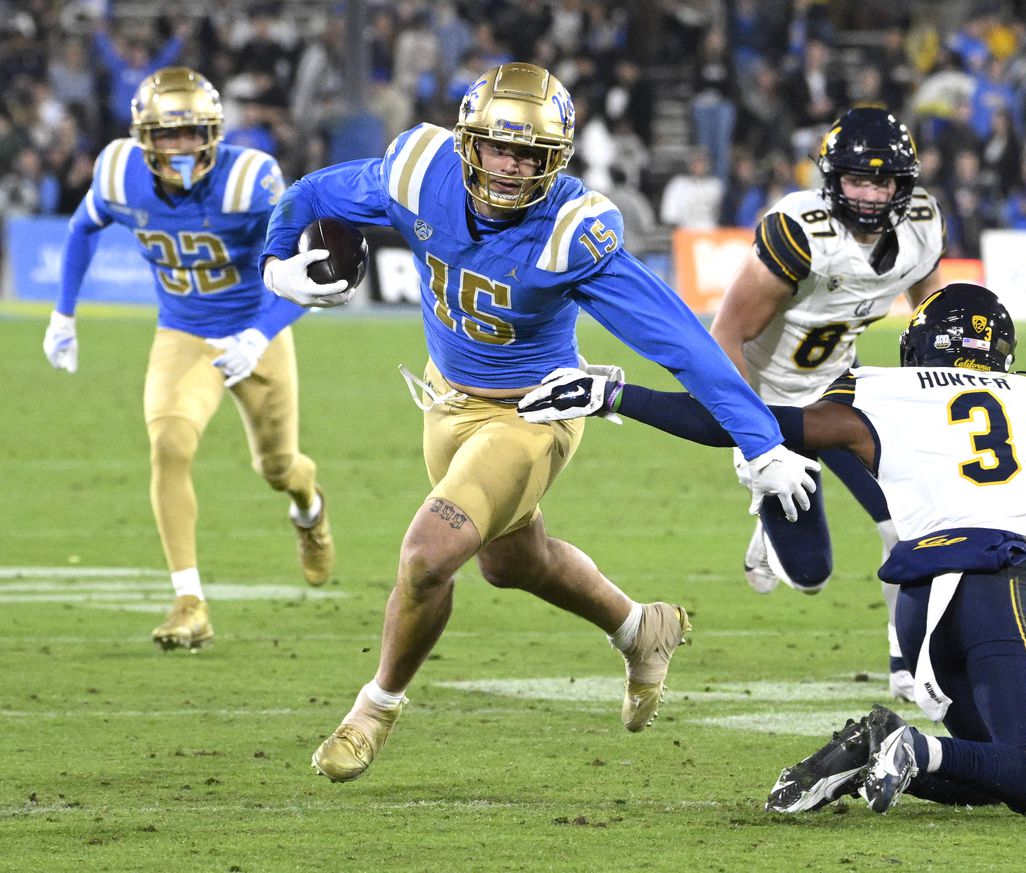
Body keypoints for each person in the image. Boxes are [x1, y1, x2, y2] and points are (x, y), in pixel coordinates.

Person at [257, 62, 817, 783]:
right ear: (469, 142)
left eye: (530, 154)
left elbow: (681, 341)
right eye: (498, 146)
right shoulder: (419, 172)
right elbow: (310, 194)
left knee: (430, 553)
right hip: (445, 399)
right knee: (509, 560)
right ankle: (640, 628)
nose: (513, 166)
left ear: (557, 159)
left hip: (532, 414)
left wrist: (761, 439)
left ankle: (373, 708)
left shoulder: (571, 231)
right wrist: (277, 263)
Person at [516, 282, 1026, 819]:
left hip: (922, 604)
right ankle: (907, 743)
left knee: (991, 767)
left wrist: (617, 396)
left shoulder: (881, 393)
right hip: (1001, 586)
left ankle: (878, 747)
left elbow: (746, 422)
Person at [40, 67, 335, 651]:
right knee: (169, 444)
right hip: (182, 332)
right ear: (142, 136)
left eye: (192, 133)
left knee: (278, 469)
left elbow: (309, 276)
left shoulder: (251, 180)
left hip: (257, 331)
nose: (179, 147)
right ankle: (189, 601)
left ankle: (310, 508)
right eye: (167, 135)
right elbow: (82, 228)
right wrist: (63, 314)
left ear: (215, 132)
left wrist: (258, 335)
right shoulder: (120, 172)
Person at [708, 107, 943, 704]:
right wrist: (755, 443)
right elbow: (725, 337)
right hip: (772, 407)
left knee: (912, 523)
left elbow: (932, 315)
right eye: (855, 181)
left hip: (843, 392)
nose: (867, 195)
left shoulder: (921, 224)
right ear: (831, 180)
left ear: (902, 185)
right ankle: (768, 512)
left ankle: (909, 668)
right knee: (809, 577)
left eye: (881, 181)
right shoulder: (799, 231)